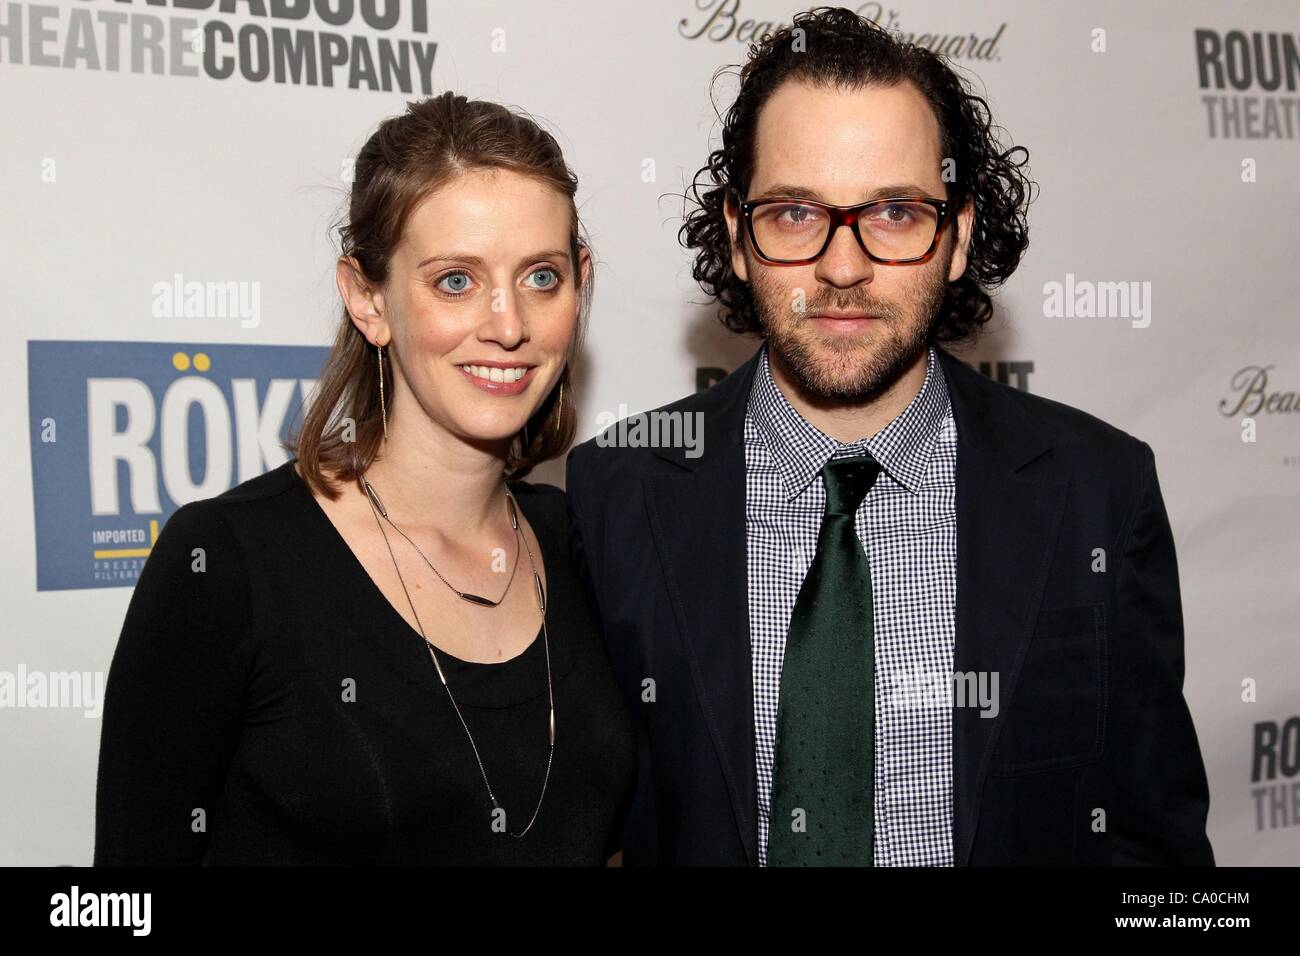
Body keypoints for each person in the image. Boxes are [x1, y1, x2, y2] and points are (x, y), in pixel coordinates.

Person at [565, 7, 1214, 866]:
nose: (843, 267)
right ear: (737, 236)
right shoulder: (615, 493)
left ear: (958, 237)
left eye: (897, 212)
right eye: (796, 213)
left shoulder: (1099, 490)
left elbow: (1156, 854)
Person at [94, 92, 635, 865]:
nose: (508, 323)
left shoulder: (582, 539)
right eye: (455, 280)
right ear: (367, 298)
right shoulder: (229, 563)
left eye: (541, 277)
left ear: (579, 286)